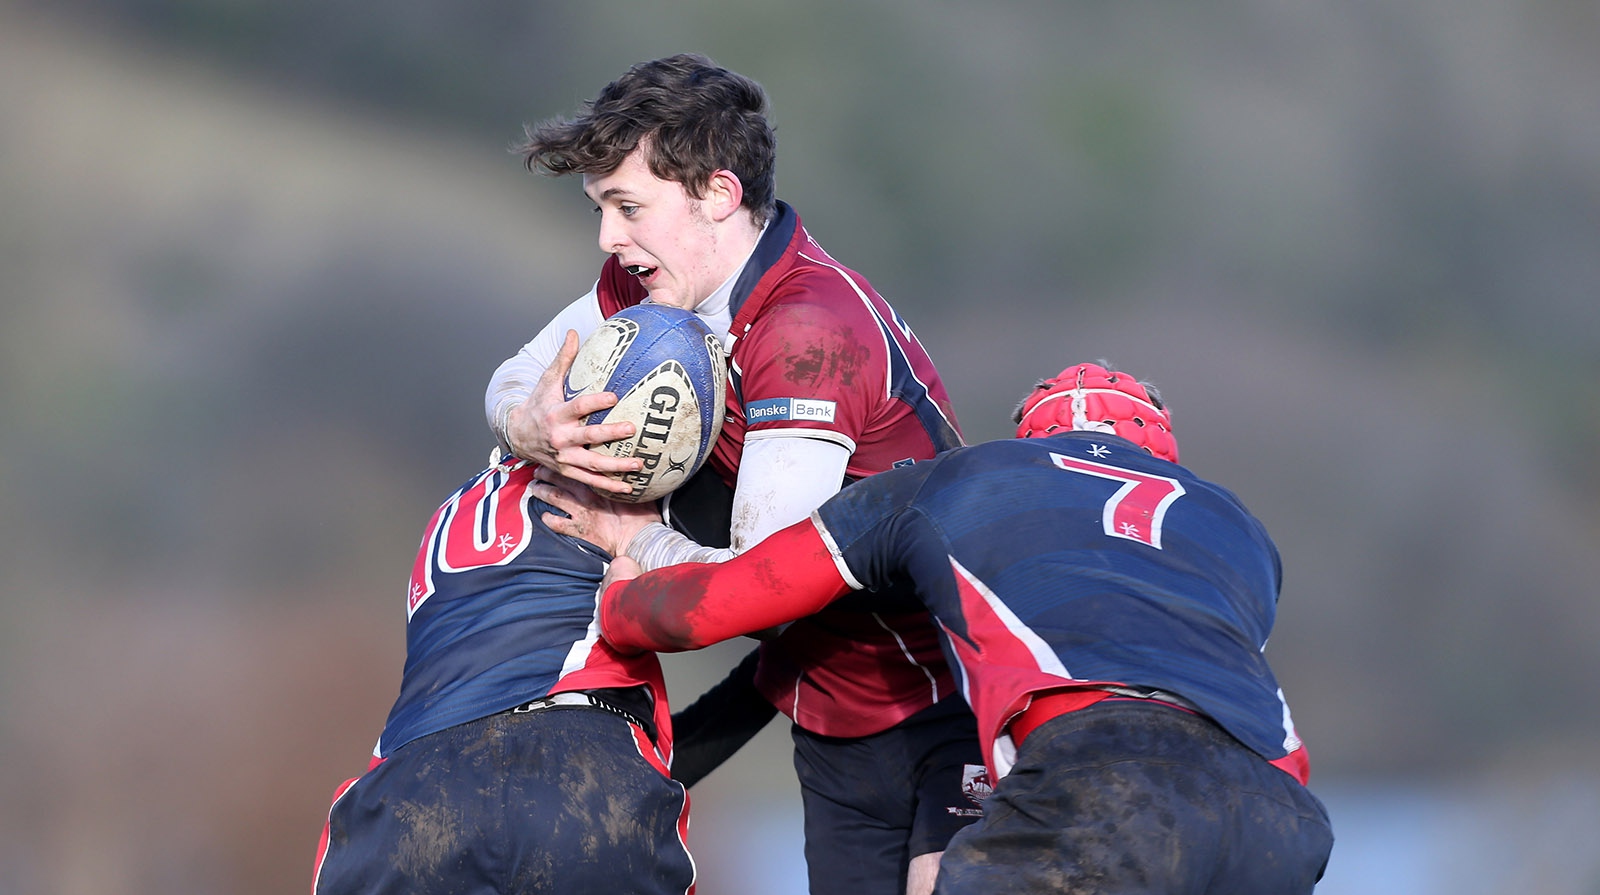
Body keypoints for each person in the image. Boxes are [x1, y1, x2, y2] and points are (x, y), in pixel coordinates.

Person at [487, 54, 981, 895]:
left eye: (627, 207)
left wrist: (637, 539)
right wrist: (533, 424)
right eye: (600, 209)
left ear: (718, 195)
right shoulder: (653, 291)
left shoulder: (807, 330)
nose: (608, 238)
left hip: (955, 700)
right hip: (832, 714)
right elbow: (509, 381)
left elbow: (762, 582)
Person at [597, 363, 1336, 894]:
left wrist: (624, 591)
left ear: (1025, 440)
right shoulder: (1239, 528)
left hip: (1099, 782)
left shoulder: (962, 478)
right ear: (1163, 459)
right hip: (1279, 820)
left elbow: (738, 597)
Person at [310, 457, 695, 894]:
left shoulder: (456, 504)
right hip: (582, 763)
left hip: (409, 788)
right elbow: (755, 598)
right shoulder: (628, 479)